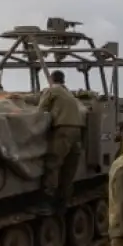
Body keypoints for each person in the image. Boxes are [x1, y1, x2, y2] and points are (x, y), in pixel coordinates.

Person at [32, 70, 85, 215]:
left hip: (63, 131)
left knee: (53, 163)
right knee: (69, 168)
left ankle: (47, 202)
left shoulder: (52, 90)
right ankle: (64, 202)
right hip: (77, 131)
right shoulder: (67, 93)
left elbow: (41, 108)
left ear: (51, 79)